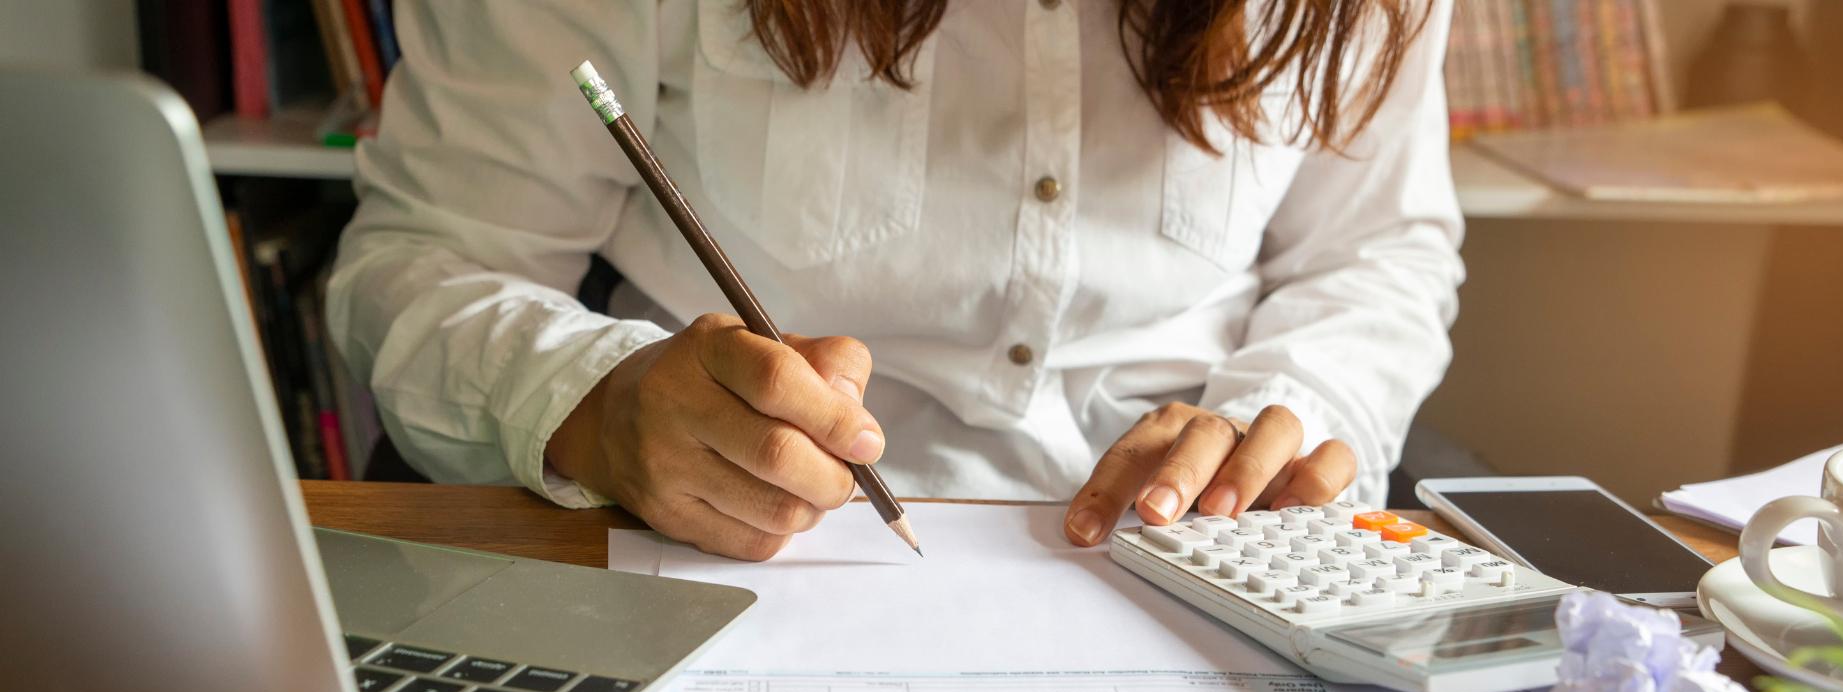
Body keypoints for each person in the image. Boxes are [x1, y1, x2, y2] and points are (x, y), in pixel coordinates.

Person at [329, 0, 1462, 560]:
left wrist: (1286, 420)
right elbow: (426, 257)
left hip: (1195, 564)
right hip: (720, 561)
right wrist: (593, 401)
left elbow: (1375, 255)